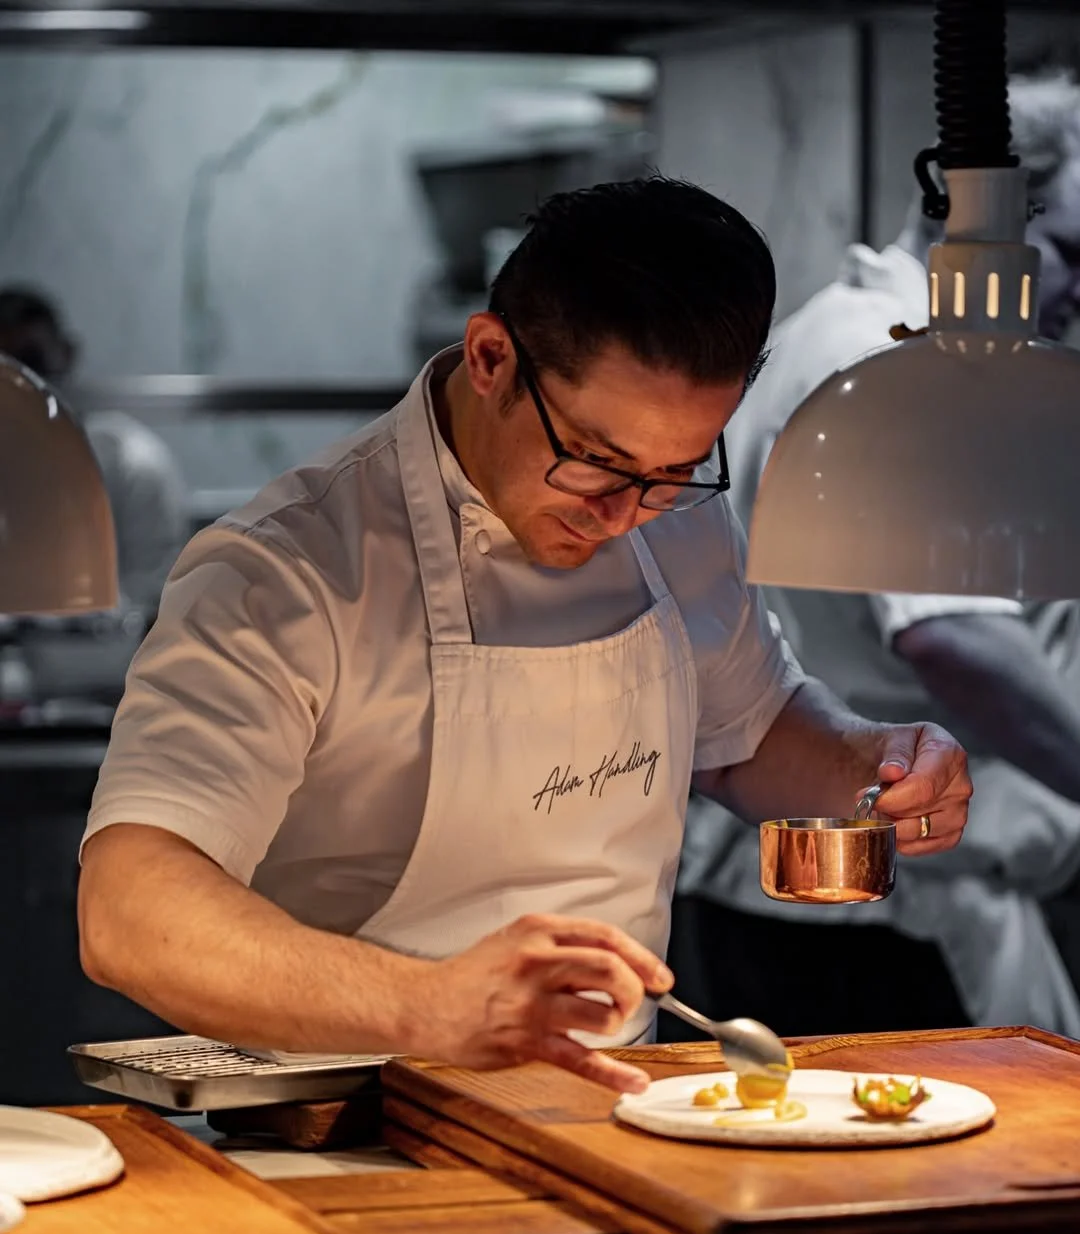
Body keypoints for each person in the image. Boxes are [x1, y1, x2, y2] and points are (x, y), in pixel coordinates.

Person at [76, 178, 971, 1096]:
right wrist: (430, 1007)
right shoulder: (284, 571)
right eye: (595, 460)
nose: (628, 514)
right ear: (492, 355)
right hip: (339, 1122)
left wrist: (881, 762)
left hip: (623, 1109)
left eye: (677, 470)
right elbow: (130, 913)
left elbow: (750, 734)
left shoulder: (674, 517)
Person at [675, 71, 1080, 1041]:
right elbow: (955, 639)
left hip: (837, 902)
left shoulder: (859, 338)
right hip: (874, 918)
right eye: (1074, 253)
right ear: (980, 218)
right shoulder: (895, 361)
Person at [0, 288, 188, 617]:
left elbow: (155, 604)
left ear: (67, 354)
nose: (18, 386)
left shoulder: (134, 466)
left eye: (30, 363)